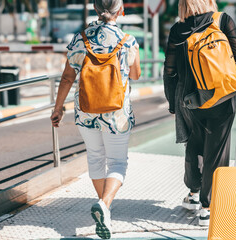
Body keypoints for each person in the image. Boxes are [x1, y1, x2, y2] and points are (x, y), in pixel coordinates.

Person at [50, 0, 141, 238]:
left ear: (96, 9)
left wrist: (58, 108)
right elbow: (136, 74)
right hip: (117, 114)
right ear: (120, 10)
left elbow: (67, 78)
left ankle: (105, 210)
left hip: (86, 110)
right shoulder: (128, 40)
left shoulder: (80, 38)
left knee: (96, 157)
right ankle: (105, 204)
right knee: (118, 162)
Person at [163, 0, 236, 226]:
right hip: (224, 96)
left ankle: (194, 193)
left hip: (190, 98)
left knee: (195, 141)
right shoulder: (222, 20)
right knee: (217, 150)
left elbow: (169, 70)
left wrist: (172, 104)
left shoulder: (178, 29)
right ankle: (208, 207)